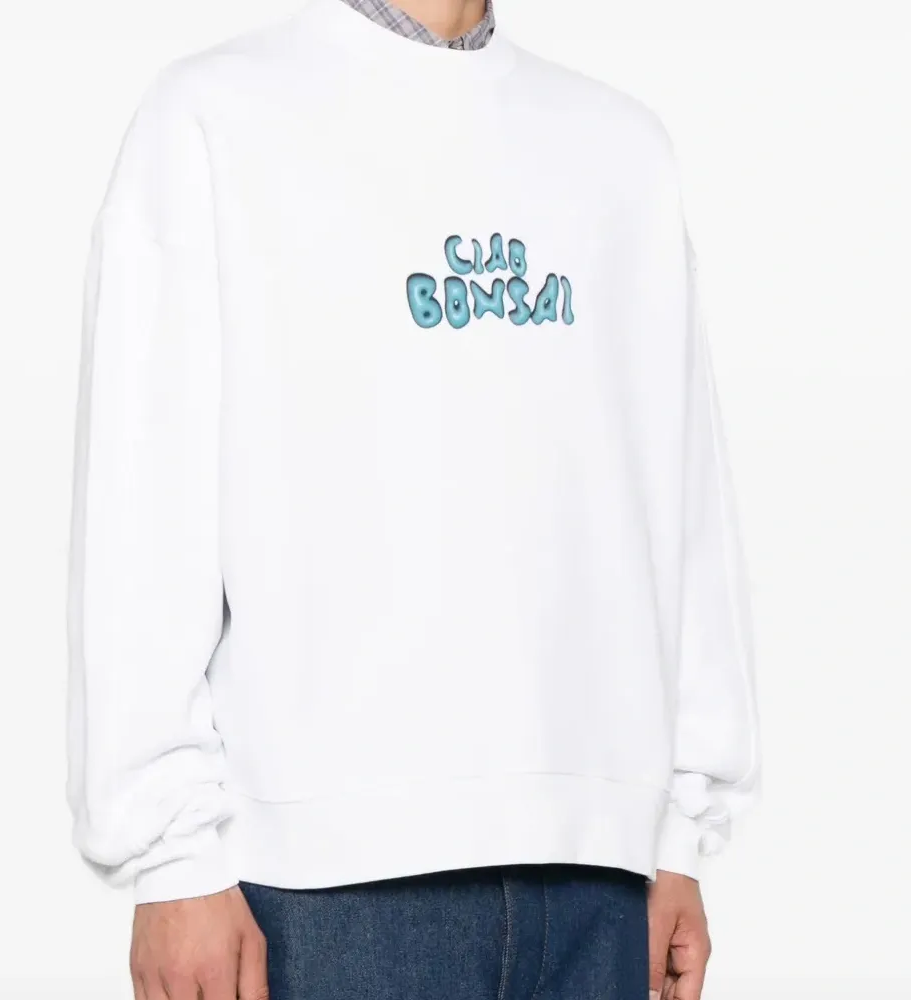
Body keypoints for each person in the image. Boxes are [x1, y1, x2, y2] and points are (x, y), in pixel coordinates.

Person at [66, 1, 761, 998]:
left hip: (599, 878)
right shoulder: (217, 116)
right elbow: (146, 494)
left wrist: (677, 834)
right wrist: (170, 858)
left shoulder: (621, 149)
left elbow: (679, 501)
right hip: (320, 888)